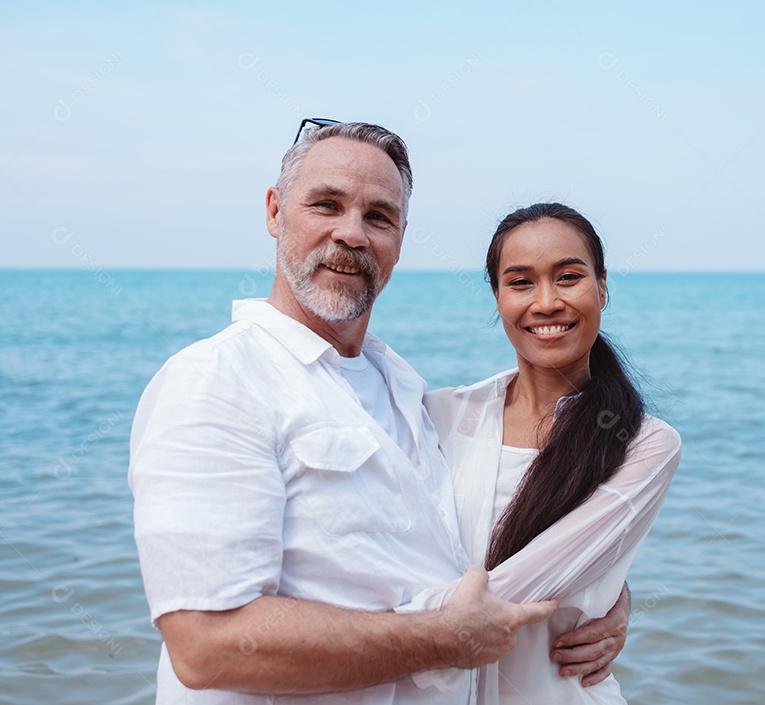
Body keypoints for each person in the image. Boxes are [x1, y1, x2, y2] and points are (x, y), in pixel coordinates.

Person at [128, 121, 627, 705]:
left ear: (401, 237)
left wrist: (601, 594)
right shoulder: (217, 380)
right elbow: (205, 644)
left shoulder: (406, 392)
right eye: (326, 205)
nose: (352, 234)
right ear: (274, 212)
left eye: (379, 217)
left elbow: (489, 518)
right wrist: (442, 641)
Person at [403, 203, 681, 703]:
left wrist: (358, 632)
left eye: (569, 277)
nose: (547, 302)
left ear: (603, 285)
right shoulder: (440, 415)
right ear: (497, 297)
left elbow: (512, 590)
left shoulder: (643, 444)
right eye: (521, 282)